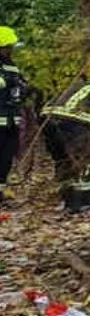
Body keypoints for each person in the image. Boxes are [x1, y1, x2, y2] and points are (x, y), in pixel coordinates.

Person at [42, 80, 90, 213]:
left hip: (48, 118)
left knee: (62, 160)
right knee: (84, 160)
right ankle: (85, 203)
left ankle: (69, 201)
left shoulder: (83, 86)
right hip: (72, 119)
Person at [0, 27, 27, 203]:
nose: (10, 50)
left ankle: (0, 191)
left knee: (6, 157)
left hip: (11, 121)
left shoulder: (11, 65)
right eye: (7, 46)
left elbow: (19, 87)